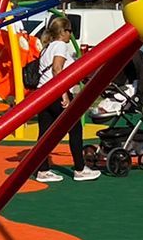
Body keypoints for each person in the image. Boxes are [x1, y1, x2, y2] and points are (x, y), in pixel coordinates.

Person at [31, 20, 97, 183]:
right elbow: (57, 69)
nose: (71, 34)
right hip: (56, 93)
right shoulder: (60, 46)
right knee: (75, 129)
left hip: (43, 93)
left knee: (45, 133)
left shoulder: (47, 47)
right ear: (63, 32)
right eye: (70, 30)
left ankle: (43, 169)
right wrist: (64, 95)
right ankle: (80, 169)